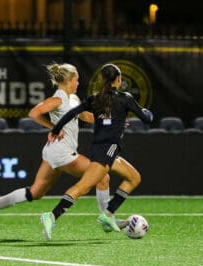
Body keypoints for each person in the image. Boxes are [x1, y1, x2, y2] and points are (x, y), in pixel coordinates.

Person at [0, 62, 119, 227]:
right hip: (62, 152)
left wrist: (113, 121)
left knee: (35, 192)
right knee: (102, 176)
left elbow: (86, 116)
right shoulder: (57, 99)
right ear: (68, 80)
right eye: (76, 80)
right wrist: (54, 127)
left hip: (53, 152)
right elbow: (34, 113)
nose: (78, 83)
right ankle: (106, 219)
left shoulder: (72, 99)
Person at [41, 63, 153, 240]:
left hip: (104, 150)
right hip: (106, 151)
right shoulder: (125, 98)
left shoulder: (95, 98)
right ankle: (51, 216)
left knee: (133, 177)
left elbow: (70, 114)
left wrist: (56, 129)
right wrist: (147, 113)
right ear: (118, 80)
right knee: (83, 187)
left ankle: (107, 214)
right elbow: (146, 119)